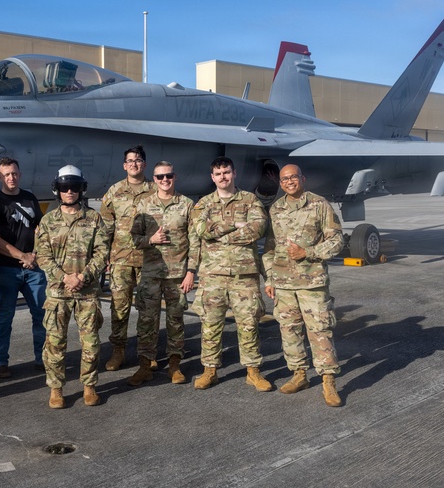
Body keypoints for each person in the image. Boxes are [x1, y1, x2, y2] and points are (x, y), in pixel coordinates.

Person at [262, 164, 345, 407]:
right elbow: (269, 248)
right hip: (284, 284)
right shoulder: (275, 209)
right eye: (285, 179)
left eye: (293, 177)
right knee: (289, 330)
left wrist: (307, 252)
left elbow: (337, 240)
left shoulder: (319, 205)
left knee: (319, 331)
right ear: (280, 183)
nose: (289, 182)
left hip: (312, 283)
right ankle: (299, 375)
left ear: (303, 179)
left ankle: (328, 381)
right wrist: (270, 277)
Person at [191, 156, 274, 392]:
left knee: (248, 325)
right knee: (210, 325)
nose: (223, 177)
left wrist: (220, 233)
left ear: (234, 173)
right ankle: (210, 370)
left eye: (226, 172)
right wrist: (236, 226)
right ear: (212, 177)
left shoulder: (250, 200)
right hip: (212, 276)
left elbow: (258, 228)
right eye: (218, 174)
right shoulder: (204, 203)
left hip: (244, 276)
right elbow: (201, 230)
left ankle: (253, 372)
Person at [35, 165, 109, 408]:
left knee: (91, 343)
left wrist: (84, 277)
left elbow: (101, 252)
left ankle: (89, 386)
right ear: (57, 189)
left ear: (81, 189)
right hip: (58, 294)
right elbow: (42, 255)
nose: (69, 191)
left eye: (74, 187)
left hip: (86, 293)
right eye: (65, 187)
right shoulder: (48, 221)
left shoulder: (93, 218)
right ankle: (56, 389)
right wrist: (64, 277)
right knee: (55, 343)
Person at [128, 161, 199, 385]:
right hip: (150, 273)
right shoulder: (144, 204)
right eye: (160, 177)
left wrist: (191, 272)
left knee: (175, 321)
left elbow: (195, 241)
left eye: (168, 176)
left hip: (177, 274)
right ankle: (145, 365)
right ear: (154, 179)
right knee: (146, 321)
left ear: (175, 177)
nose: (164, 180)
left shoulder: (187, 205)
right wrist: (151, 240)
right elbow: (134, 238)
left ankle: (175, 365)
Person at [0, 157, 47, 377]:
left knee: (42, 314)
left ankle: (43, 358)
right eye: (6, 174)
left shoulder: (29, 198)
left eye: (14, 173)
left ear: (19, 174)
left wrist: (35, 255)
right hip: (4, 269)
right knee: (4, 316)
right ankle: (1, 361)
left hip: (33, 269)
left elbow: (41, 230)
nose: (11, 178)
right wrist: (23, 256)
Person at [99, 145, 153, 371]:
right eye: (130, 160)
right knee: (119, 308)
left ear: (144, 164)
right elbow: (105, 228)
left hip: (149, 260)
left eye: (138, 160)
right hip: (120, 260)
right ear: (124, 165)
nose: (134, 164)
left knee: (147, 309)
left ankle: (146, 353)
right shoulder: (114, 191)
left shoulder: (155, 190)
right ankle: (118, 351)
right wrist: (103, 257)